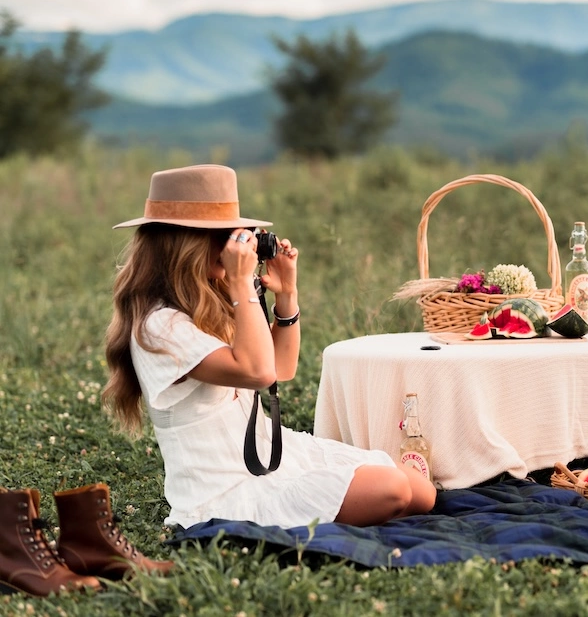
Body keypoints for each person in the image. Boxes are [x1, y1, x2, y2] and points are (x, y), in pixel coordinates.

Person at [102, 164, 436, 530]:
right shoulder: (159, 325)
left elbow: (280, 369)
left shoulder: (208, 302)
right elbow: (258, 372)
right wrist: (243, 282)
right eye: (225, 235)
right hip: (226, 492)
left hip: (275, 458)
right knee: (393, 490)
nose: (236, 244)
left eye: (238, 233)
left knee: (422, 493)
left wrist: (287, 294)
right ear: (184, 242)